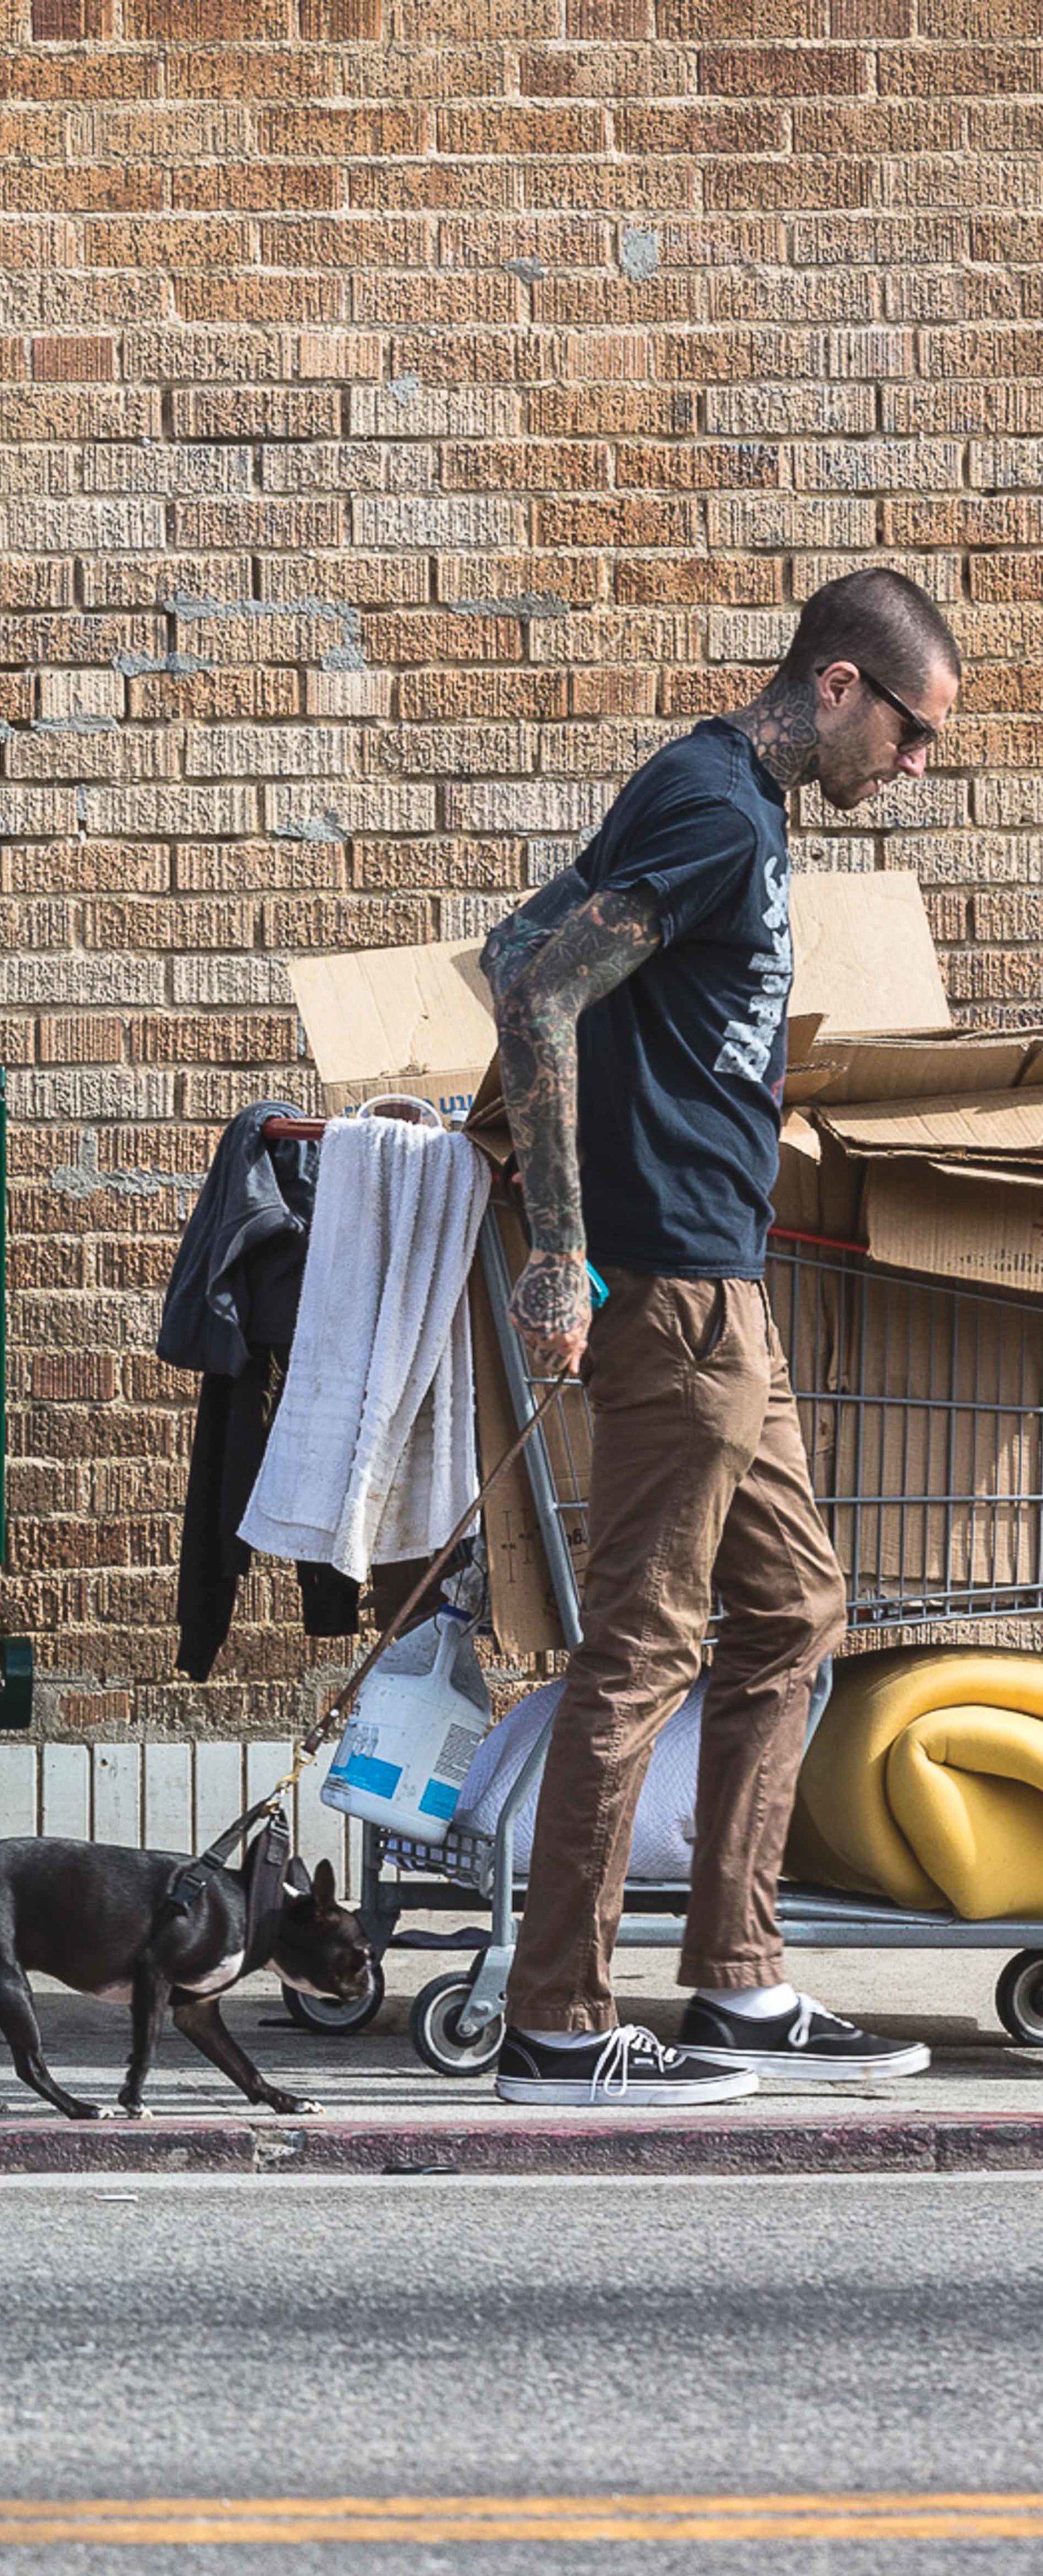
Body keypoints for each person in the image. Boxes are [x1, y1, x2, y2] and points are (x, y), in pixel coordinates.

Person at [482, 567, 961, 2107]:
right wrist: (562, 1251)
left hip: (717, 1290)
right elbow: (539, 993)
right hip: (673, 1297)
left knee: (793, 1612)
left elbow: (511, 943)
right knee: (642, 1645)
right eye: (907, 733)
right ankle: (555, 2022)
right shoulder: (714, 806)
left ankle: (736, 1983)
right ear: (837, 686)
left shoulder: (707, 803)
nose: (907, 767)